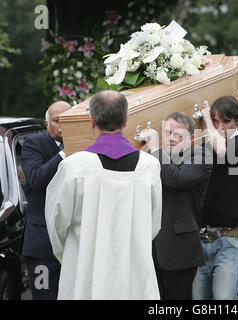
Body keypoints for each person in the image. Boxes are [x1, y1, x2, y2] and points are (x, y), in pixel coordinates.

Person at [44, 90, 162, 299]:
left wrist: (76, 255)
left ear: (91, 120)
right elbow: (153, 225)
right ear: (126, 120)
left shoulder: (74, 167)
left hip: (85, 273)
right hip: (134, 274)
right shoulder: (150, 166)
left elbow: (56, 224)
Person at [192, 96, 238, 300]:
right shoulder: (204, 144)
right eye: (216, 121)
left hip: (228, 238)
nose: (220, 127)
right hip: (199, 237)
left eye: (226, 121)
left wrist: (207, 121)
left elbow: (223, 150)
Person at [142, 112, 212, 300]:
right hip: (150, 250)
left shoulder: (201, 157)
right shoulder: (151, 161)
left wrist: (156, 149)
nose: (171, 138)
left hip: (179, 251)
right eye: (167, 133)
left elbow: (175, 178)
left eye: (177, 134)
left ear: (190, 138)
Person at [21, 101, 71, 300]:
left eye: (67, 121)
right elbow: (35, 179)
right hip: (42, 245)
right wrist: (64, 154)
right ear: (46, 123)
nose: (62, 126)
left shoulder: (85, 145)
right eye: (58, 121)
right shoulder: (33, 144)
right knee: (44, 296)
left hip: (72, 243)